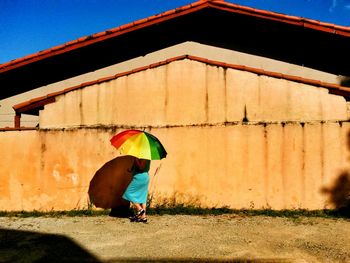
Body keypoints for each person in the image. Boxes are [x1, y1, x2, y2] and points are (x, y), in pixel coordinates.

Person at [122, 157, 151, 223]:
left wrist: (135, 159)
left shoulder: (143, 156)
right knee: (143, 197)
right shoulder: (146, 156)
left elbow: (141, 168)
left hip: (139, 178)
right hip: (145, 177)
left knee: (128, 193)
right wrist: (131, 169)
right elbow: (139, 166)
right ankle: (143, 217)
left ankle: (140, 209)